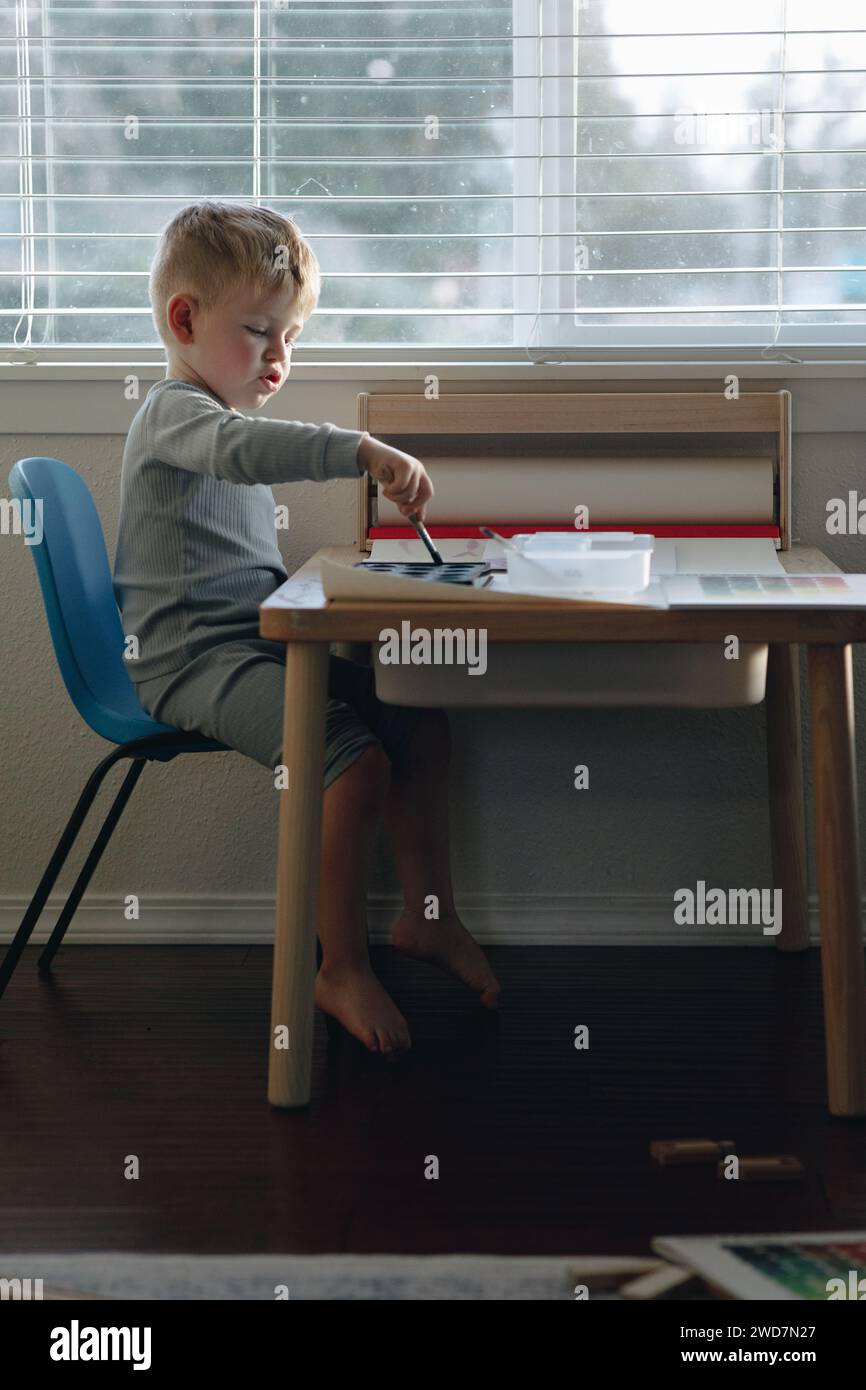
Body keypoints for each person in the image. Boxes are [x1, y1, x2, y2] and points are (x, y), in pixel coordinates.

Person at [113, 201, 501, 1058]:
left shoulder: (222, 426)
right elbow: (242, 452)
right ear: (185, 319)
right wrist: (361, 449)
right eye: (261, 333)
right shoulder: (175, 415)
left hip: (253, 644)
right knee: (350, 760)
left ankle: (427, 917)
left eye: (290, 337)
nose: (280, 359)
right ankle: (338, 966)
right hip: (188, 662)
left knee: (420, 724)